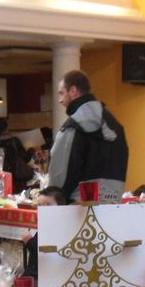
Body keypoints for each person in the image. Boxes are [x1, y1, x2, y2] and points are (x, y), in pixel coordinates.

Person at [48, 69, 128, 203]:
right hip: (113, 203)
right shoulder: (115, 126)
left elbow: (59, 174)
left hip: (79, 207)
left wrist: (54, 199)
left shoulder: (73, 126)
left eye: (61, 93)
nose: (60, 100)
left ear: (73, 91)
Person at [21, 186, 66, 279]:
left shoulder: (60, 227)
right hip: (35, 271)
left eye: (48, 205)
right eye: (40, 206)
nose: (43, 209)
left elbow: (48, 253)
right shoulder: (46, 223)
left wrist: (29, 241)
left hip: (48, 276)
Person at [0, 117, 32, 183]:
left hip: (0, 178)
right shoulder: (14, 141)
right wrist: (30, 151)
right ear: (7, 127)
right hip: (17, 176)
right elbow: (25, 158)